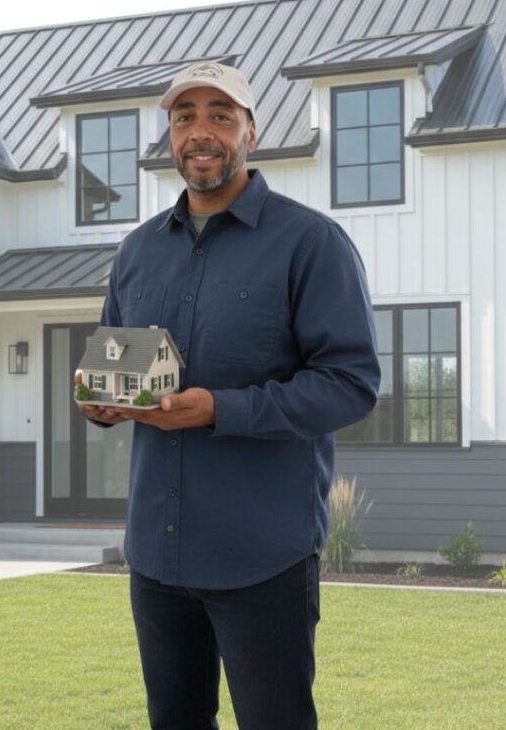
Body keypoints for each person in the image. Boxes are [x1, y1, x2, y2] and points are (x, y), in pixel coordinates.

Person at [78, 60, 381, 730]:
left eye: (221, 114)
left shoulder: (311, 243)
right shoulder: (135, 253)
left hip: (262, 554)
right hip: (157, 554)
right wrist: (101, 403)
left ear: (251, 127)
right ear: (170, 137)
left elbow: (351, 385)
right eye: (184, 117)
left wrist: (222, 408)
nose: (201, 131)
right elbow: (117, 366)